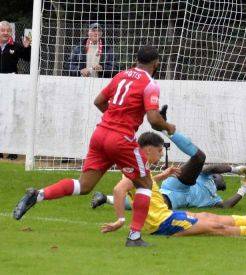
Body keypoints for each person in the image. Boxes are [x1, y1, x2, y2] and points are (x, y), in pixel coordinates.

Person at [13, 45, 176, 247]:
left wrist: (114, 117)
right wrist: (168, 126)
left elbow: (99, 101)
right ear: (156, 63)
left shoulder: (121, 75)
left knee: (84, 186)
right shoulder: (150, 84)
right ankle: (134, 237)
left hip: (100, 134)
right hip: (121, 139)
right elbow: (153, 119)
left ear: (136, 59)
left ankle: (38, 195)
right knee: (145, 185)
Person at [100, 132, 246, 238]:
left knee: (207, 215)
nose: (162, 154)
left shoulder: (141, 166)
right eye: (160, 150)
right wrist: (121, 220)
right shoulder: (136, 166)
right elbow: (119, 189)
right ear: (148, 150)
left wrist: (163, 175)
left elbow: (139, 185)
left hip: (166, 215)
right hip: (161, 223)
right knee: (213, 227)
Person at [91, 132, 246, 211]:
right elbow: (210, 168)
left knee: (147, 203)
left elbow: (226, 205)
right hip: (179, 184)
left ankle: (105, 198)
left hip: (179, 199)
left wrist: (244, 188)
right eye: (219, 174)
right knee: (199, 158)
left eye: (219, 176)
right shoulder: (206, 176)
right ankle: (168, 130)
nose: (218, 175)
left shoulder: (215, 198)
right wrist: (236, 169)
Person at [0, 20, 31, 160]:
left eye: (8, 30)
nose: (5, 33)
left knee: (11, 117)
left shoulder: (16, 46)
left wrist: (27, 47)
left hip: (12, 87)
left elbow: (28, 58)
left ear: (11, 32)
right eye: (2, 30)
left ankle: (13, 150)